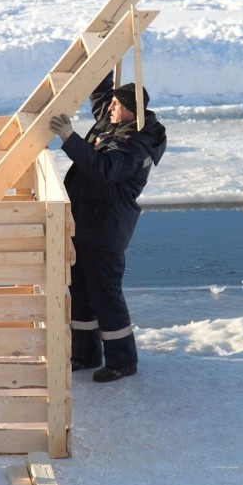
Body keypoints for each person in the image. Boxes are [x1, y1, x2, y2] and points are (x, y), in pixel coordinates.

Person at [48, 71, 167, 382]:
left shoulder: (136, 145)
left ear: (131, 110)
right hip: (85, 223)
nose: (110, 108)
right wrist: (103, 64)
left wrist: (70, 139)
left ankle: (123, 361)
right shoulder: (113, 121)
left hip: (106, 230)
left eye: (116, 104)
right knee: (81, 292)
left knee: (106, 296)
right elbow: (101, 96)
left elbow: (103, 169)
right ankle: (85, 354)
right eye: (112, 104)